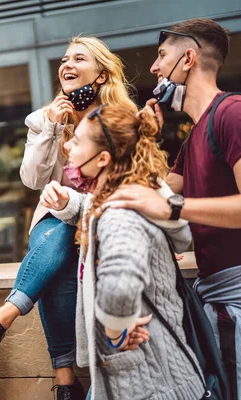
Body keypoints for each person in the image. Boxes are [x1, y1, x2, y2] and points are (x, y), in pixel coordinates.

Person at [0, 36, 137, 399]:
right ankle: (59, 376)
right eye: (64, 59)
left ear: (102, 75)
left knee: (59, 255)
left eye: (79, 59)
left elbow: (134, 178)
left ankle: (54, 373)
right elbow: (33, 180)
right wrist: (53, 129)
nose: (67, 65)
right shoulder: (43, 119)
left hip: (103, 218)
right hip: (55, 218)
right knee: (59, 236)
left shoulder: (122, 118)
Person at [106, 19, 241, 398]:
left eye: (162, 56)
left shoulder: (232, 112)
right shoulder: (196, 132)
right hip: (214, 294)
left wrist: (176, 208)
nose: (154, 67)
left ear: (189, 59)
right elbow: (155, 190)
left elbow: (169, 201)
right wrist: (147, 136)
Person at [44, 104, 205, 399]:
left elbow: (119, 287)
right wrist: (68, 202)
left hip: (148, 384)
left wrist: (115, 333)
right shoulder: (122, 197)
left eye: (77, 141)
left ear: (103, 158)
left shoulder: (119, 213)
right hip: (151, 377)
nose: (67, 145)